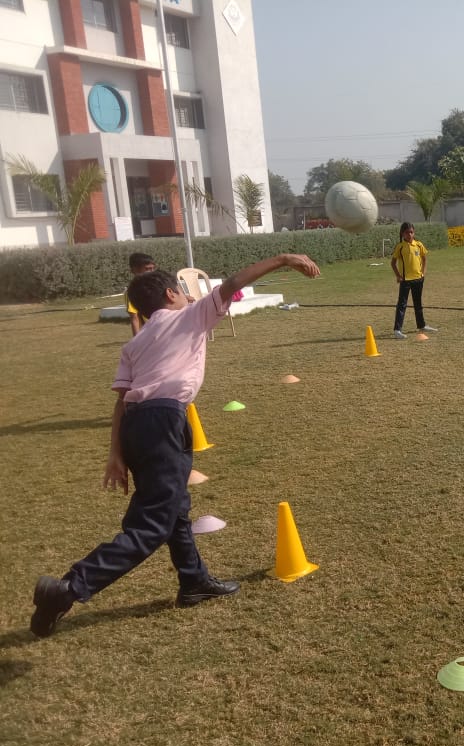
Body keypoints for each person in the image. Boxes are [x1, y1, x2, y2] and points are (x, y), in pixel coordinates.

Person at [30, 253, 321, 638]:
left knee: (175, 507)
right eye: (183, 291)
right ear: (171, 294)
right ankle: (70, 588)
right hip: (165, 420)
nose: (188, 296)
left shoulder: (135, 343)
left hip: (137, 426)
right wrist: (284, 259)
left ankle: (193, 581)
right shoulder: (189, 315)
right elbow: (233, 282)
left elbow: (122, 401)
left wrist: (114, 454)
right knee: (151, 524)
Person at [390, 222, 437, 339]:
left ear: (414, 232)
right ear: (402, 233)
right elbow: (393, 263)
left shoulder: (419, 245)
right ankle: (397, 330)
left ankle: (422, 325)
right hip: (405, 280)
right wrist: (398, 276)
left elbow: (424, 259)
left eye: (411, 232)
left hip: (418, 279)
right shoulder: (400, 246)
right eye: (407, 232)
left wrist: (423, 273)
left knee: (418, 304)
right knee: (402, 304)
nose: (409, 234)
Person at [126, 252, 156, 336]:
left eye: (153, 268)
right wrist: (136, 340)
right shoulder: (133, 292)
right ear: (134, 270)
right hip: (148, 334)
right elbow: (134, 318)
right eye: (147, 269)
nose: (152, 272)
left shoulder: (157, 285)